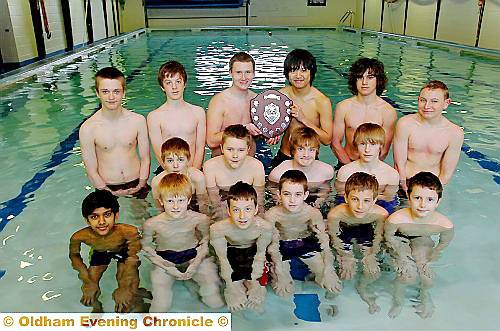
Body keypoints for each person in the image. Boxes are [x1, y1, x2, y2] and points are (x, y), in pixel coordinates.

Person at [141, 173, 224, 312]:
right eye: (170, 201)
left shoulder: (200, 219)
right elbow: (147, 249)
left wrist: (195, 263)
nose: (175, 206)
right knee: (160, 305)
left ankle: (195, 285)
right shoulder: (152, 224)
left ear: (189, 200)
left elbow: (205, 242)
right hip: (165, 259)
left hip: (193, 254)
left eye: (180, 200)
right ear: (161, 201)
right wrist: (168, 268)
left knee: (214, 300)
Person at [385, 172, 454, 319]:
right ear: (409, 198)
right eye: (417, 198)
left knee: (427, 278)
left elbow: (443, 243)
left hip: (422, 238)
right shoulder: (396, 220)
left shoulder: (444, 225)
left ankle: (424, 295)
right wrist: (401, 256)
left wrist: (432, 257)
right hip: (400, 238)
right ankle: (398, 301)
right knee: (406, 276)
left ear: (438, 201)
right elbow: (389, 238)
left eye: (430, 199)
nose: (423, 205)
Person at [265, 170, 341, 298]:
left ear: (306, 195)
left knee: (330, 283)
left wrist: (329, 271)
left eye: (298, 194)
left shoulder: (312, 213)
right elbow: (273, 245)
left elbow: (324, 242)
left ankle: (329, 303)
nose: (292, 200)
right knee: (283, 290)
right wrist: (280, 272)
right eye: (287, 194)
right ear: (279, 194)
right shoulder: (272, 215)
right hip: (282, 245)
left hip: (304, 242)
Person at [79, 67, 150, 198]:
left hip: (137, 182)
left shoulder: (138, 121)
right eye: (105, 91)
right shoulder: (88, 128)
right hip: (106, 187)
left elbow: (146, 158)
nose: (111, 97)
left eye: (116, 91)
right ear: (97, 93)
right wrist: (107, 191)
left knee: (143, 217)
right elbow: (91, 171)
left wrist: (141, 184)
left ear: (124, 93)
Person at [69, 190, 144, 312]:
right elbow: (74, 256)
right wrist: (87, 281)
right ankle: (97, 307)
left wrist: (124, 287)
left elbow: (133, 258)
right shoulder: (79, 237)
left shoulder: (128, 232)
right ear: (87, 220)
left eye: (107, 214)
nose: (102, 221)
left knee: (129, 287)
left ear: (116, 215)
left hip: (124, 250)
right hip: (100, 251)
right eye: (94, 217)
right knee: (89, 287)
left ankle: (138, 299)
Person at [327, 172, 387, 314]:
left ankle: (363, 287)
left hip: (365, 231)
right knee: (346, 270)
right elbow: (334, 237)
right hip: (344, 230)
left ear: (374, 200)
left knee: (373, 271)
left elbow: (379, 236)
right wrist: (345, 256)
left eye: (366, 200)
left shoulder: (381, 214)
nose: (360, 206)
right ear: (346, 198)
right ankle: (335, 294)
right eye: (355, 199)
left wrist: (371, 255)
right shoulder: (336, 214)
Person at [210, 182, 273, 311]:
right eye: (236, 209)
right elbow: (223, 260)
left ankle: (252, 284)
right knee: (233, 283)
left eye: (248, 209)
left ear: (256, 209)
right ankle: (234, 286)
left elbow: (260, 255)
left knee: (256, 283)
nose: (242, 216)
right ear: (228, 211)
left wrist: (255, 281)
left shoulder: (264, 228)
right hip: (231, 252)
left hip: (253, 252)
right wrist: (230, 286)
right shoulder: (218, 229)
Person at [393, 80, 464, 191]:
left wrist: (430, 193)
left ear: (446, 103)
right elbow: (399, 164)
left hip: (433, 187)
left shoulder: (454, 133)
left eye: (434, 101)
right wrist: (405, 188)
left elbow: (446, 175)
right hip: (404, 182)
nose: (427, 106)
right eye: (423, 100)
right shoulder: (405, 124)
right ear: (418, 100)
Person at [207, 52, 278, 158]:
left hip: (250, 160)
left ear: (254, 73)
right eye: (238, 72)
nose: (243, 77)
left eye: (248, 72)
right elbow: (211, 141)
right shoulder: (219, 102)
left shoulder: (258, 101)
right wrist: (244, 129)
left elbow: (262, 133)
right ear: (230, 73)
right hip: (223, 164)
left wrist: (270, 135)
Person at [271, 49, 333, 168]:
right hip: (284, 156)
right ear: (287, 73)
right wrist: (272, 134)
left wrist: (304, 119)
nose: (298, 76)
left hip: (309, 160)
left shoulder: (321, 102)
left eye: (303, 70)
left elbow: (327, 140)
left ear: (312, 72)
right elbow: (269, 126)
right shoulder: (280, 96)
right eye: (293, 70)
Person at [331, 57, 397, 168]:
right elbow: (335, 143)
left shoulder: (388, 111)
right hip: (346, 162)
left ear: (378, 80)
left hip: (373, 166)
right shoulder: (343, 107)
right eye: (360, 77)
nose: (364, 82)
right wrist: (349, 168)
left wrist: (366, 169)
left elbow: (384, 150)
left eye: (370, 77)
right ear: (354, 80)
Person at [147, 61, 206, 171]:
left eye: (178, 81)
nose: (174, 87)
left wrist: (193, 172)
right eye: (168, 83)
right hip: (167, 170)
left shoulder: (198, 112)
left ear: (185, 84)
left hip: (193, 169)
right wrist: (172, 173)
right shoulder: (154, 117)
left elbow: (200, 148)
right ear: (162, 87)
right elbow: (159, 152)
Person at [203, 124, 265, 220]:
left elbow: (259, 202)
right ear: (222, 148)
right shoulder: (210, 167)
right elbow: (214, 204)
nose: (235, 155)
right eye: (230, 149)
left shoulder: (256, 167)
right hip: (222, 203)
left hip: (246, 205)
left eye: (241, 150)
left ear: (248, 150)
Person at [335, 123, 399, 212]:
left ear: (381, 146)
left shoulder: (391, 174)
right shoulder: (345, 172)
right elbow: (341, 201)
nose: (367, 150)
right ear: (356, 145)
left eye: (373, 144)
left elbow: (389, 202)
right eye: (362, 144)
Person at [268, 127, 333, 211]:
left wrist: (318, 204)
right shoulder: (278, 174)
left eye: (311, 150)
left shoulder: (326, 171)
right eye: (301, 149)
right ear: (293, 150)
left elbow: (325, 192)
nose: (306, 154)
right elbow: (275, 198)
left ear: (317, 151)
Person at [151, 137, 208, 214]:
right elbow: (159, 208)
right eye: (170, 160)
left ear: (188, 159)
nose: (175, 165)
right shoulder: (157, 182)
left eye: (180, 160)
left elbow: (202, 203)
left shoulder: (197, 178)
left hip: (193, 206)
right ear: (163, 161)